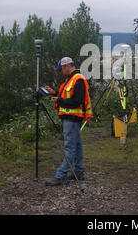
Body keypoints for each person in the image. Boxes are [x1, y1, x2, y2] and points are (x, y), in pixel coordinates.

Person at [44, 57, 92, 186]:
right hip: (70, 118)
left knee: (69, 147)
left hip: (72, 118)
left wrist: (58, 101)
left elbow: (77, 101)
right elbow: (65, 95)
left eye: (61, 69)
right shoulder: (70, 80)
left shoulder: (78, 80)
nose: (60, 72)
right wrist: (54, 93)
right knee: (76, 145)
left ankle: (60, 175)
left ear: (67, 66)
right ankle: (79, 171)